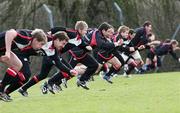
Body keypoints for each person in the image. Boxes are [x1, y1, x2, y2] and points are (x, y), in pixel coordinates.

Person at [18, 31, 78, 97]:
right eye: (63, 43)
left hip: (46, 57)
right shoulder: (46, 39)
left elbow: (59, 63)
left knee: (42, 75)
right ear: (57, 40)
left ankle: (23, 88)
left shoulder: (54, 51)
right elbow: (35, 34)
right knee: (28, 74)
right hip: (19, 52)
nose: (63, 46)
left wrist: (69, 71)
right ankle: (51, 84)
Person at [43, 21, 99, 90]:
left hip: (58, 54)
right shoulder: (73, 34)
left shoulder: (79, 39)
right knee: (68, 71)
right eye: (85, 30)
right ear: (80, 30)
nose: (86, 32)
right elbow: (61, 29)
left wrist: (90, 46)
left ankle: (81, 80)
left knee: (94, 65)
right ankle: (49, 83)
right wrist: (51, 31)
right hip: (54, 54)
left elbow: (84, 45)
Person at [0, 29, 47, 102]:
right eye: (41, 44)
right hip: (4, 50)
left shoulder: (29, 43)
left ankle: (1, 90)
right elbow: (10, 33)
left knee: (18, 65)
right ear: (35, 40)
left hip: (2, 51)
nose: (40, 47)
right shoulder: (27, 37)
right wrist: (8, 52)